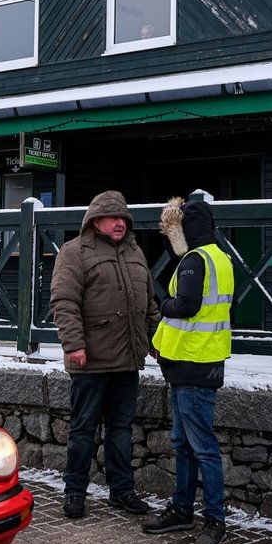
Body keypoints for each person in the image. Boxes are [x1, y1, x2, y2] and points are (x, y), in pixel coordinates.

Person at [50, 190, 161, 519]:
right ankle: (74, 491)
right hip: (91, 360)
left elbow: (148, 305)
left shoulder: (136, 253)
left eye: (124, 218)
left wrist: (157, 340)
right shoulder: (74, 252)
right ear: (95, 220)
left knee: (121, 429)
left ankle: (122, 491)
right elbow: (64, 302)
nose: (120, 224)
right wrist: (74, 345)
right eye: (113, 218)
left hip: (127, 360)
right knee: (83, 429)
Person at [142, 197, 233, 544]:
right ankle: (182, 509)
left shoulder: (196, 260)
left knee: (201, 447)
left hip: (193, 364)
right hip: (198, 361)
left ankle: (214, 520)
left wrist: (162, 304)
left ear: (185, 228)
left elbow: (187, 306)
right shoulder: (220, 257)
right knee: (185, 444)